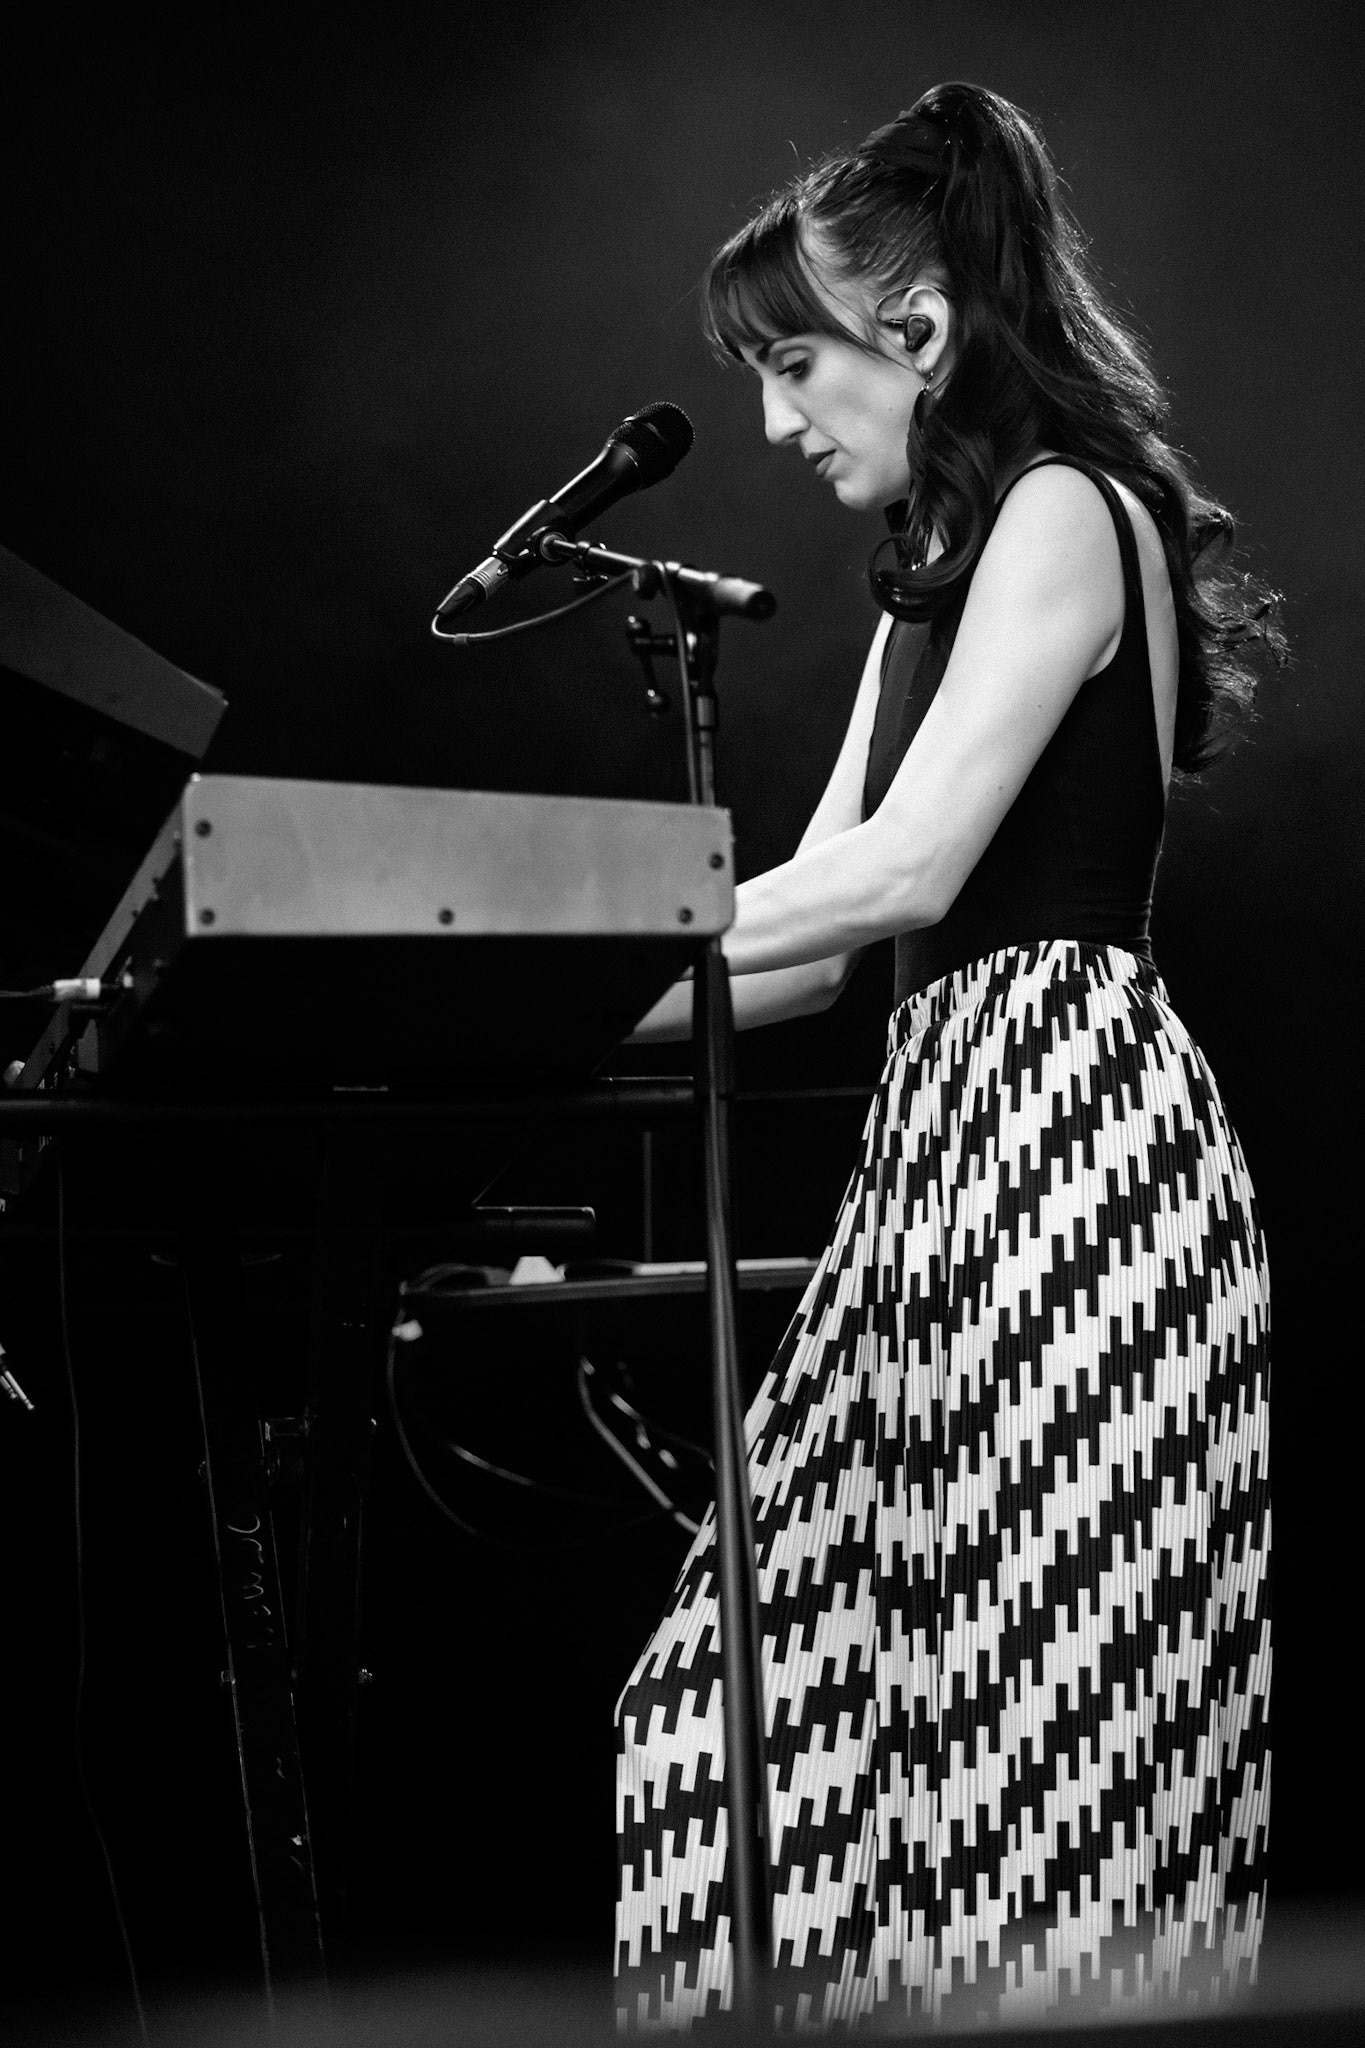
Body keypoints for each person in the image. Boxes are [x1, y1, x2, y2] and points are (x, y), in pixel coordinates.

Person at [613, 81, 1279, 2030]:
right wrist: (473, 1002)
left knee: (1047, 1786)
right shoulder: (946, 557)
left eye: (788, 362)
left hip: (1074, 1163)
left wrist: (542, 952)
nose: (766, 417)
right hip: (948, 1161)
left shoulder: (1072, 507)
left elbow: (907, 867)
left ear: (913, 332)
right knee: (732, 1726)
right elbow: (816, 924)